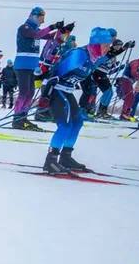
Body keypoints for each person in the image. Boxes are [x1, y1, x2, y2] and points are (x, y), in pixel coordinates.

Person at [40, 28, 126, 173]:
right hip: (56, 89)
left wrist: (121, 49)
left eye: (108, 46)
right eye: (105, 45)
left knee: (77, 122)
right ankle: (51, 160)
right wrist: (46, 96)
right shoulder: (79, 54)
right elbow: (55, 74)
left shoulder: (94, 57)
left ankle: (65, 157)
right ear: (96, 44)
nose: (107, 48)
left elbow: (106, 58)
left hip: (67, 91)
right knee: (65, 126)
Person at [11, 7, 65, 130]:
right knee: (24, 92)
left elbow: (50, 36)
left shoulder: (35, 29)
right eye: (41, 18)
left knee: (30, 92)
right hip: (23, 65)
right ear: (34, 16)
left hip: (31, 66)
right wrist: (53, 26)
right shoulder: (24, 28)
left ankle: (23, 117)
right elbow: (37, 35)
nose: (43, 21)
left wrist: (62, 31)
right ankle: (17, 119)